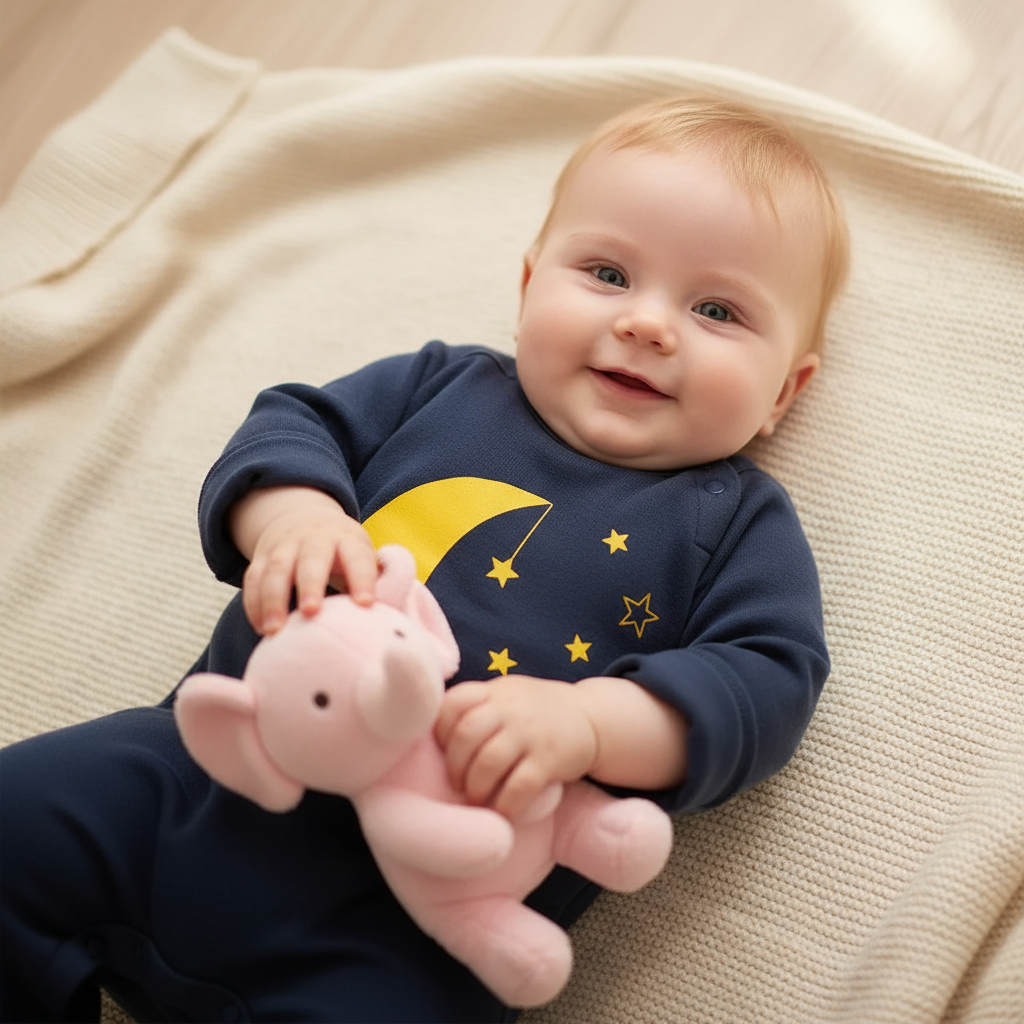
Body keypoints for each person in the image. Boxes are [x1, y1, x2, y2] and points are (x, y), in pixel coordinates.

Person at [0, 95, 849, 1022]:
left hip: (419, 918)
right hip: (205, 777)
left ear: (784, 393)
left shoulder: (735, 524)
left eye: (717, 309)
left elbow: (766, 681)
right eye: (607, 272)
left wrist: (593, 723)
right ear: (529, 287)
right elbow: (292, 423)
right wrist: (295, 518)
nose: (649, 323)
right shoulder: (442, 386)